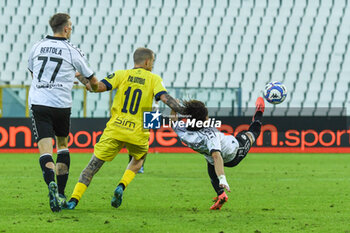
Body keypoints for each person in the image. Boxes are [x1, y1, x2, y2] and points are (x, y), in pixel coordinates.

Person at [63, 47, 185, 210]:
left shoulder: (121, 74)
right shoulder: (154, 79)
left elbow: (95, 88)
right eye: (153, 61)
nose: (153, 64)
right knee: (139, 159)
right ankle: (121, 185)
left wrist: (83, 79)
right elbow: (165, 98)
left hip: (115, 128)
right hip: (138, 131)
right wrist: (182, 109)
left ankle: (73, 200)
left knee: (92, 167)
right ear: (148, 62)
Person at [27, 13, 98, 212]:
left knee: (45, 150)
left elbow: (34, 74)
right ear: (66, 28)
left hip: (40, 102)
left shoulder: (37, 46)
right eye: (71, 27)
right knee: (63, 145)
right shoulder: (72, 50)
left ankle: (49, 182)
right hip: (62, 105)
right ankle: (60, 191)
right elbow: (92, 80)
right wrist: (88, 85)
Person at [171, 97, 265, 210]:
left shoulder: (183, 131)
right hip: (235, 152)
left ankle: (221, 194)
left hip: (214, 156)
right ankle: (259, 111)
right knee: (251, 133)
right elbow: (216, 156)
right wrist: (222, 178)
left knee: (210, 162)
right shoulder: (210, 134)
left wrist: (174, 108)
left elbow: (173, 121)